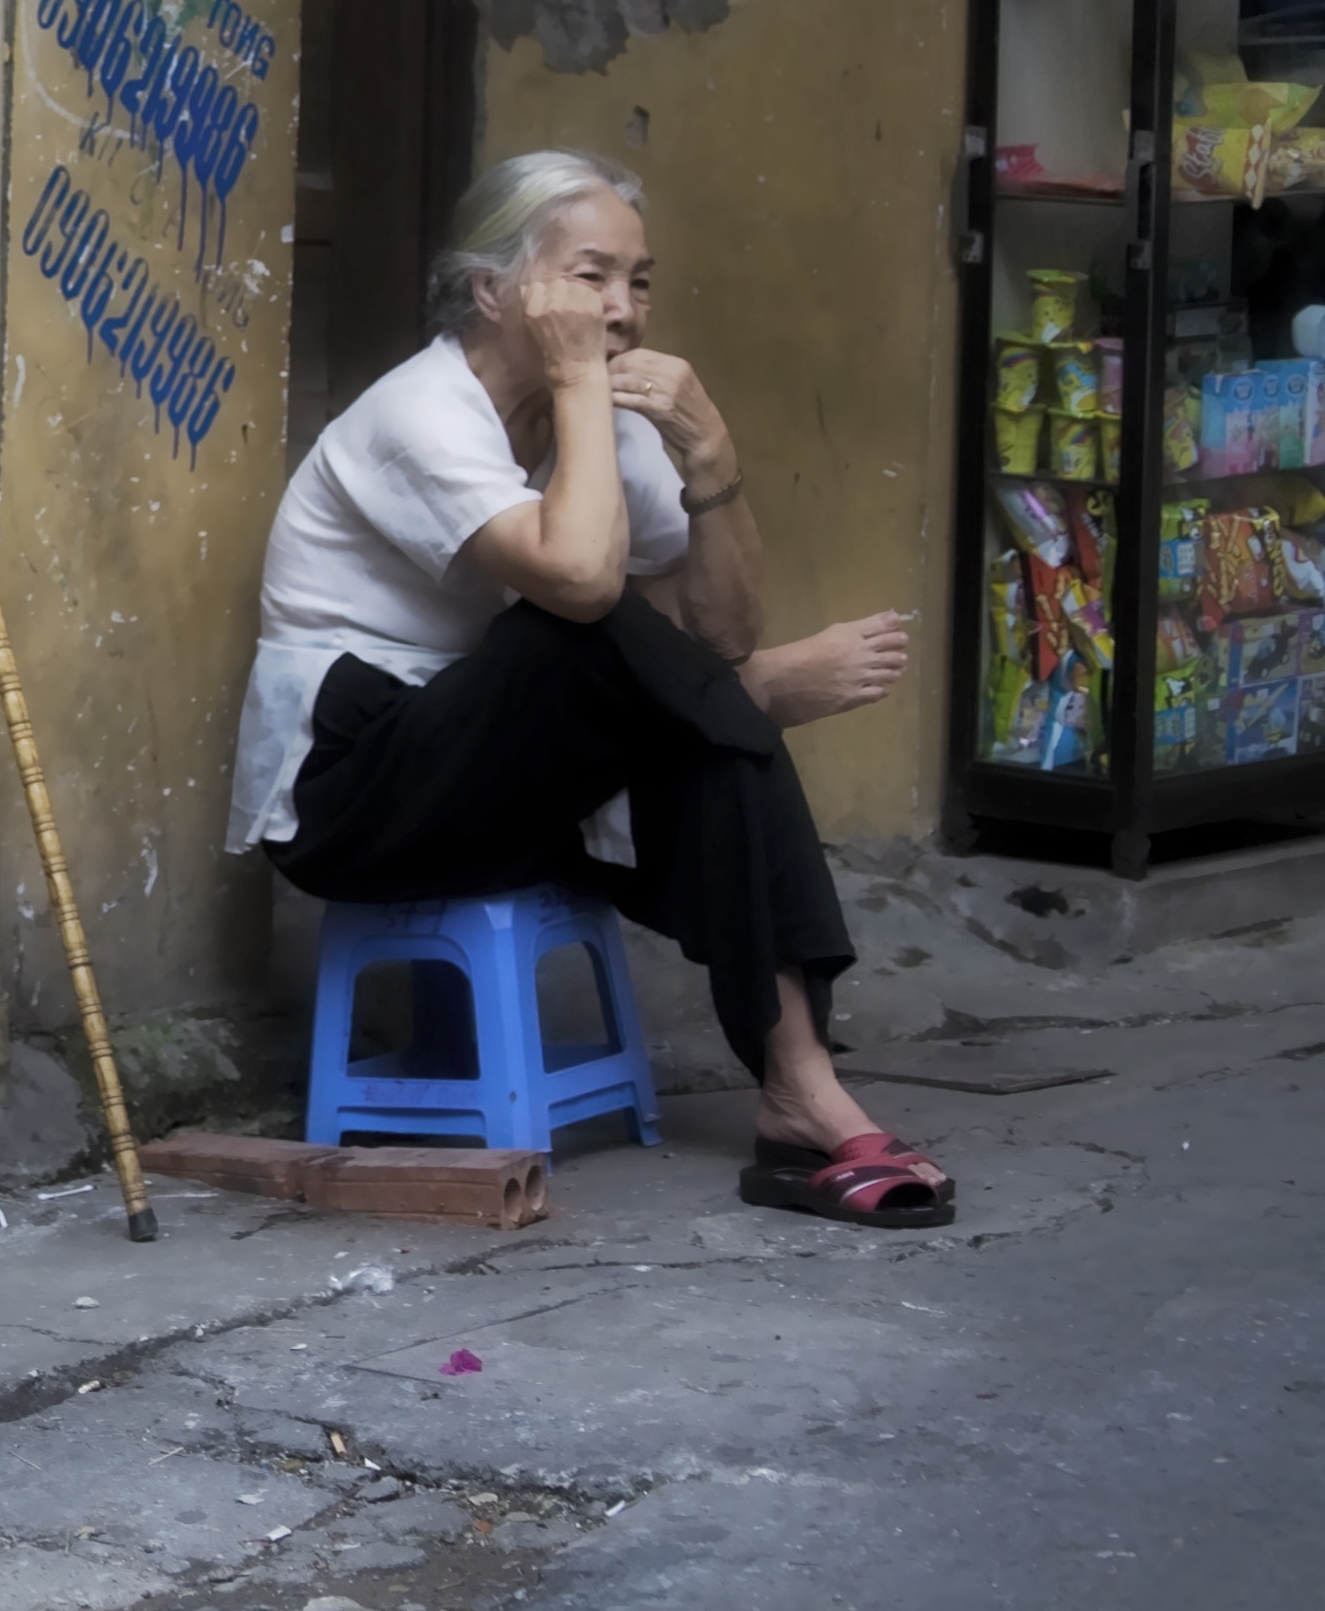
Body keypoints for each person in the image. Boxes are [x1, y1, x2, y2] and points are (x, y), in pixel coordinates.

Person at [228, 150, 950, 1226]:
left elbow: (720, 626)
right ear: (494, 289)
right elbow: (579, 584)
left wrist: (710, 457)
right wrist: (576, 388)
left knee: (706, 727)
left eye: (641, 280)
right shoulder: (419, 413)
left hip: (502, 784)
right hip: (359, 790)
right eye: (591, 277)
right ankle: (755, 701)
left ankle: (802, 1090)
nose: (622, 309)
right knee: (594, 635)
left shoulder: (604, 424)